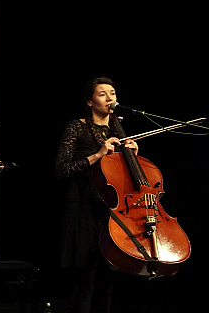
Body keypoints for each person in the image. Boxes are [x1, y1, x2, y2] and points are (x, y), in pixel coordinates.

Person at [55, 77, 138, 313]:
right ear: (90, 102)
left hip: (110, 210)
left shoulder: (117, 130)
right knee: (85, 281)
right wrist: (98, 154)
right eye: (102, 94)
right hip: (83, 208)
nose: (110, 97)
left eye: (112, 93)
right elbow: (62, 169)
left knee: (107, 282)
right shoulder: (77, 127)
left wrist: (132, 156)